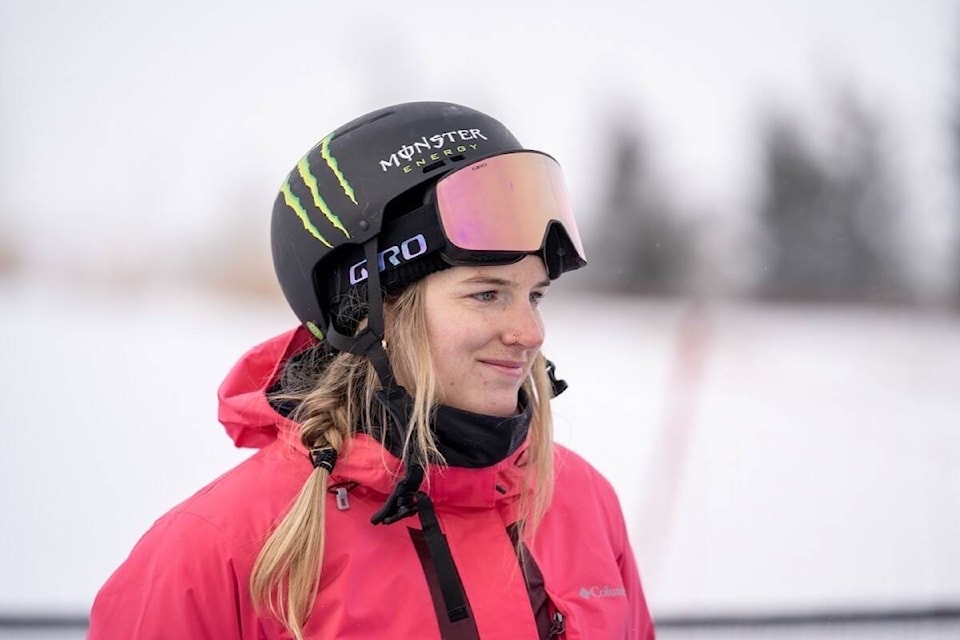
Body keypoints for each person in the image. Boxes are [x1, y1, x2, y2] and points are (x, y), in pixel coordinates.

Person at [88, 101, 655, 639]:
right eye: (487, 295)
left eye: (534, 296)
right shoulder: (216, 553)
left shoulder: (579, 499)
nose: (530, 334)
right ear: (373, 316)